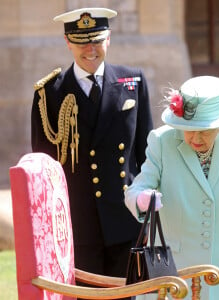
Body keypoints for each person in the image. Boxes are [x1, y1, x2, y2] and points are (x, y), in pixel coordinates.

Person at [31, 7, 153, 282]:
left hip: (126, 220)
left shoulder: (132, 81)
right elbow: (42, 168)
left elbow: (148, 156)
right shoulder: (49, 93)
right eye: (81, 41)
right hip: (77, 223)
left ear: (108, 38)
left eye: (97, 39)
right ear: (67, 42)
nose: (90, 49)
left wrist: (149, 206)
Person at [124, 76, 219, 299]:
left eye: (205, 130)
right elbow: (135, 190)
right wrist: (141, 199)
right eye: (189, 129)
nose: (195, 138)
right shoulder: (162, 140)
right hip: (173, 277)